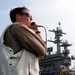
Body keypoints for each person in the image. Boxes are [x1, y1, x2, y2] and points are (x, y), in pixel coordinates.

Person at [0, 6, 46, 75]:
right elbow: (42, 51)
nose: (31, 18)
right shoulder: (18, 27)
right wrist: (37, 32)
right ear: (18, 16)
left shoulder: (10, 30)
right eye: (29, 15)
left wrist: (36, 31)